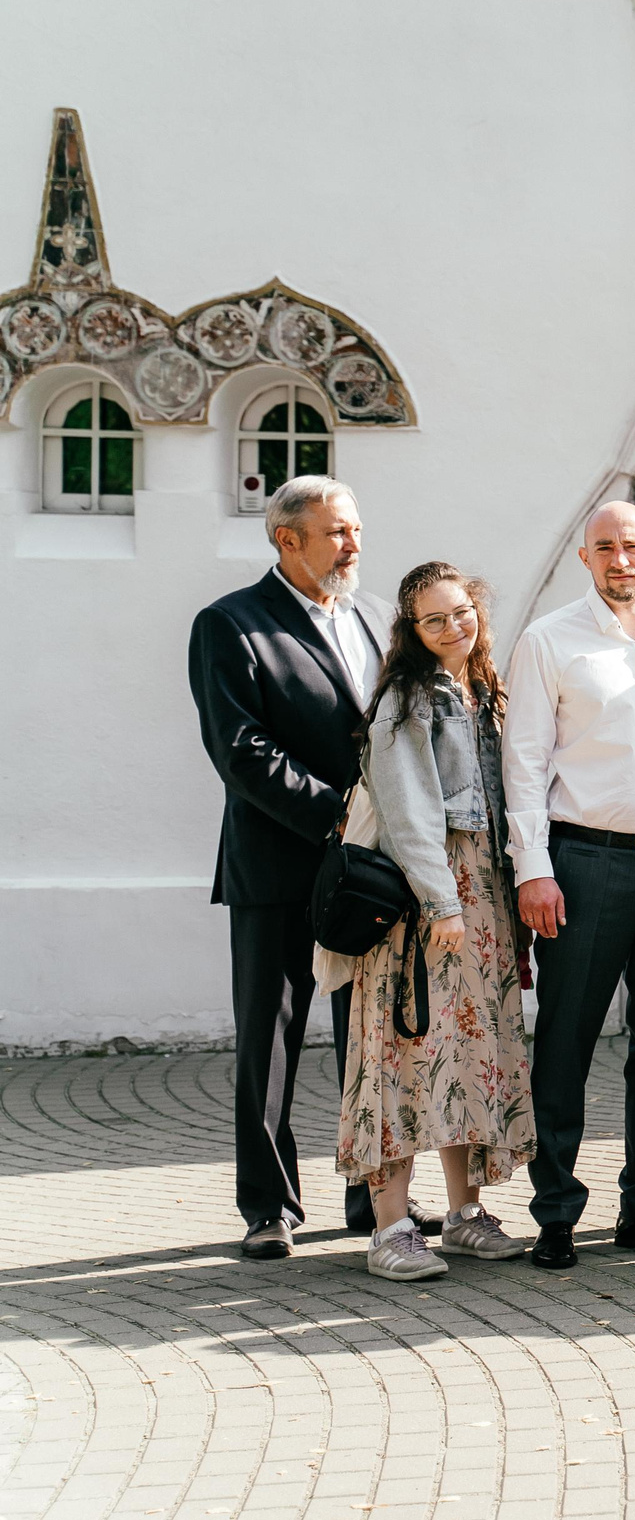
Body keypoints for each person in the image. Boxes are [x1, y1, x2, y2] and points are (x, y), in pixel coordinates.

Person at [188, 474, 392, 1258]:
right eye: (338, 531)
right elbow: (240, 751)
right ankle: (268, 1207)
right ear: (287, 539)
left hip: (369, 867)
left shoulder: (376, 618)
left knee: (364, 1036)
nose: (354, 543)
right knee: (269, 1036)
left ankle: (368, 1189)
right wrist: (334, 811)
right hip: (277, 863)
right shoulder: (231, 625)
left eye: (357, 528)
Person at [503, 502, 635, 1268]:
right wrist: (534, 870)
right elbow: (522, 764)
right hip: (583, 866)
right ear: (584, 558)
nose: (621, 561)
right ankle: (555, 1212)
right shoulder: (549, 641)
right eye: (605, 549)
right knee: (565, 1042)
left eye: (633, 547)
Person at [328, 562, 538, 1279]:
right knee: (404, 1050)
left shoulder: (488, 692)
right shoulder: (406, 699)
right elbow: (406, 805)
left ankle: (465, 1214)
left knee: (469, 1050)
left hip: (485, 898)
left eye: (461, 612)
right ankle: (390, 1228)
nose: (454, 627)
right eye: (435, 618)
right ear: (412, 631)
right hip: (427, 903)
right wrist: (440, 900)